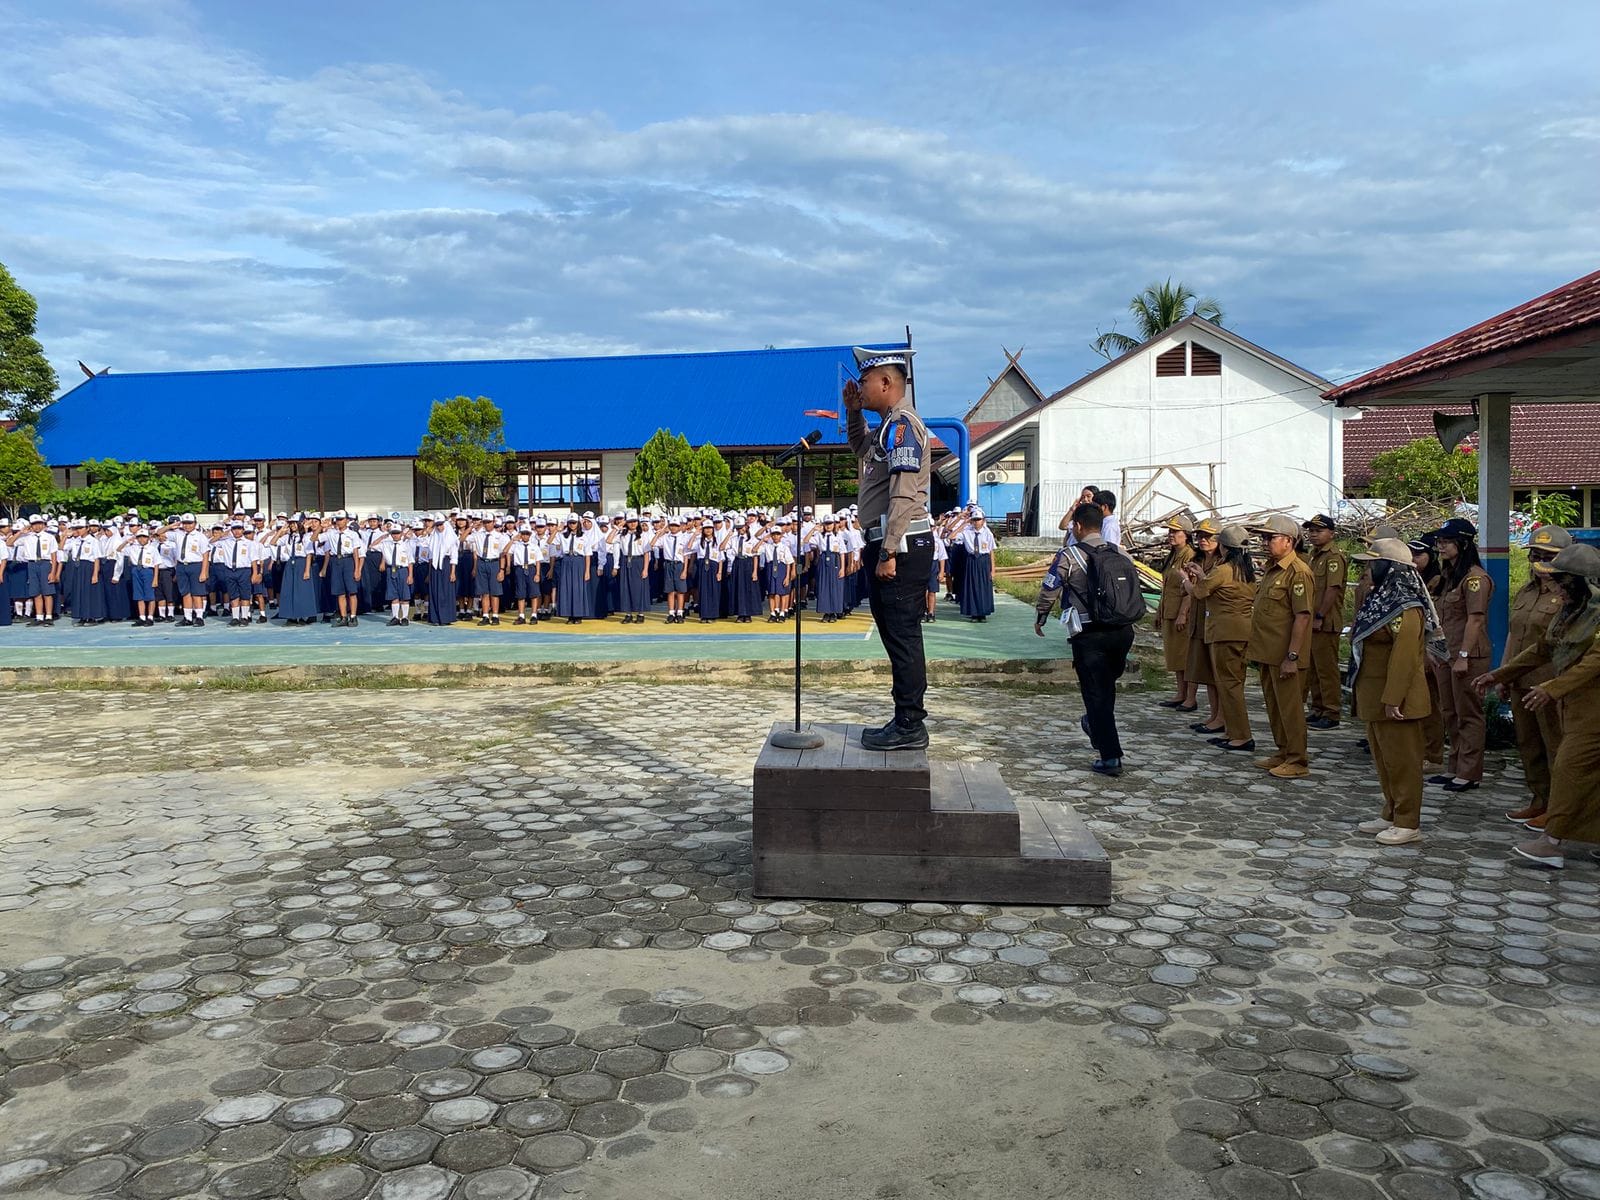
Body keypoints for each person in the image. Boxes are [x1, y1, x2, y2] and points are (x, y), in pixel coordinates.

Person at [1475, 543, 1600, 869]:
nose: (1556, 588)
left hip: (1593, 709)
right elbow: (1542, 649)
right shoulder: (1572, 611)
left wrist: (1551, 688)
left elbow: (1594, 663)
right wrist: (1499, 674)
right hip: (1575, 706)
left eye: (1562, 581)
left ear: (1580, 581)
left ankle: (1552, 842)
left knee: (1569, 768)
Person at [844, 344, 934, 751]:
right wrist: (852, 412)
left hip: (901, 544)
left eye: (864, 381)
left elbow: (902, 492)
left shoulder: (902, 426)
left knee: (902, 635)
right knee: (896, 633)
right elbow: (861, 450)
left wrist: (890, 551)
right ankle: (905, 718)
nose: (860, 387)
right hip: (889, 541)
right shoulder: (886, 427)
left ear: (886, 382)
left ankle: (911, 723)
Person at [1347, 538, 1445, 846]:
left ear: (1390, 568)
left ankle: (1408, 821)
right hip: (1374, 694)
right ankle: (1389, 811)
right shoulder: (1381, 600)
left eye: (1372, 563)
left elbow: (1404, 658)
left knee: (1403, 762)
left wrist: (1392, 698)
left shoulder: (1406, 607)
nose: (1367, 568)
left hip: (1397, 699)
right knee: (1384, 759)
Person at [1034, 501, 1137, 776]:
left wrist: (1042, 615)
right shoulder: (1121, 553)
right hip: (1123, 632)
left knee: (1096, 694)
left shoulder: (1069, 556)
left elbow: (1050, 588)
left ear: (1077, 526)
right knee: (1106, 688)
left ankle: (1110, 756)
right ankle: (1097, 725)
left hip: (1089, 635)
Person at [1498, 525, 1572, 826]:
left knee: (1555, 745)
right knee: (1528, 744)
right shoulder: (1526, 591)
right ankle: (1539, 799)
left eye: (1549, 556)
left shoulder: (1569, 595)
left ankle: (1557, 809)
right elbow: (1513, 636)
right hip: (1520, 680)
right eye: (1536, 555)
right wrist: (1504, 674)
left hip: (1549, 683)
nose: (1540, 562)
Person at [1246, 514, 1316, 779]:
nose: (1265, 542)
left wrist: (1293, 656)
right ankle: (1283, 750)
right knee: (1274, 707)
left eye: (1270, 537)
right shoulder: (1272, 569)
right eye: (1263, 537)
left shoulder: (1298, 573)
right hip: (1268, 652)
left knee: (1291, 709)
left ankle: (1298, 759)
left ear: (1288, 541)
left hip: (1286, 655)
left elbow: (1303, 615)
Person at [1429, 517, 1492, 792]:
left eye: (1446, 542)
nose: (1440, 547)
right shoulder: (1448, 577)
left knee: (1468, 714)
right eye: (1439, 542)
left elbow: (1475, 620)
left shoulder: (1475, 578)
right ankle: (1454, 766)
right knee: (1449, 713)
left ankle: (1470, 772)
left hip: (1468, 656)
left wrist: (1463, 655)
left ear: (1463, 544)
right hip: (1446, 654)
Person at [1185, 524, 1256, 752]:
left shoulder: (1223, 569)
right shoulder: (1246, 570)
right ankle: (1233, 731)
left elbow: (1199, 593)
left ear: (1224, 547)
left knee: (1229, 685)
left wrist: (1185, 580)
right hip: (1242, 631)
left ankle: (1242, 735)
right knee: (1233, 683)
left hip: (1224, 632)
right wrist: (1203, 576)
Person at [1302, 514, 1348, 729]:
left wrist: (1320, 615)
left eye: (1318, 530)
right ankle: (1318, 707)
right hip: (1311, 620)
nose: (1313, 534)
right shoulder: (1314, 555)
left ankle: (1331, 712)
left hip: (1325, 621)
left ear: (1331, 533)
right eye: (1311, 530)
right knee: (1313, 668)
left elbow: (1332, 589)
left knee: (1326, 669)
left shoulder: (1333, 558)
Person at [1408, 536, 1448, 769]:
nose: (1413, 559)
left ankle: (1433, 753)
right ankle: (1421, 748)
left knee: (1432, 703)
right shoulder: (1413, 579)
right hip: (1413, 647)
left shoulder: (1437, 581)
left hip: (1431, 648)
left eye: (1418, 555)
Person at [1184, 519, 1222, 729]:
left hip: (1216, 623)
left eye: (1208, 537)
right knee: (1206, 672)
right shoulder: (1198, 559)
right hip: (1200, 620)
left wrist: (1194, 578)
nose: (1203, 541)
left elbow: (1210, 589)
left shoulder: (1222, 563)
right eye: (1200, 536)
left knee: (1218, 673)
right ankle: (1214, 714)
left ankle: (1222, 717)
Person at [1156, 516, 1197, 709]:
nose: (1171, 535)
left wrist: (1183, 613)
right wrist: (1159, 611)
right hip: (1169, 609)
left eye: (1175, 532)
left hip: (1182, 612)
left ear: (1186, 535)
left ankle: (1190, 697)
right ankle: (1180, 693)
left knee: (1185, 656)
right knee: (1174, 656)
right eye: (1170, 531)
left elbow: (1191, 588)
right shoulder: (1173, 555)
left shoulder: (1189, 556)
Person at [958, 509, 996, 621]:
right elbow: (951, 536)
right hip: (971, 560)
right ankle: (974, 613)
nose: (976, 522)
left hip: (983, 561)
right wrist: (964, 523)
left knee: (983, 587)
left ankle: (982, 613)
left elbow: (991, 552)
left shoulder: (987, 533)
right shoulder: (967, 532)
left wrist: (993, 570)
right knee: (972, 586)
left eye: (978, 519)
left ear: (983, 520)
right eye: (974, 520)